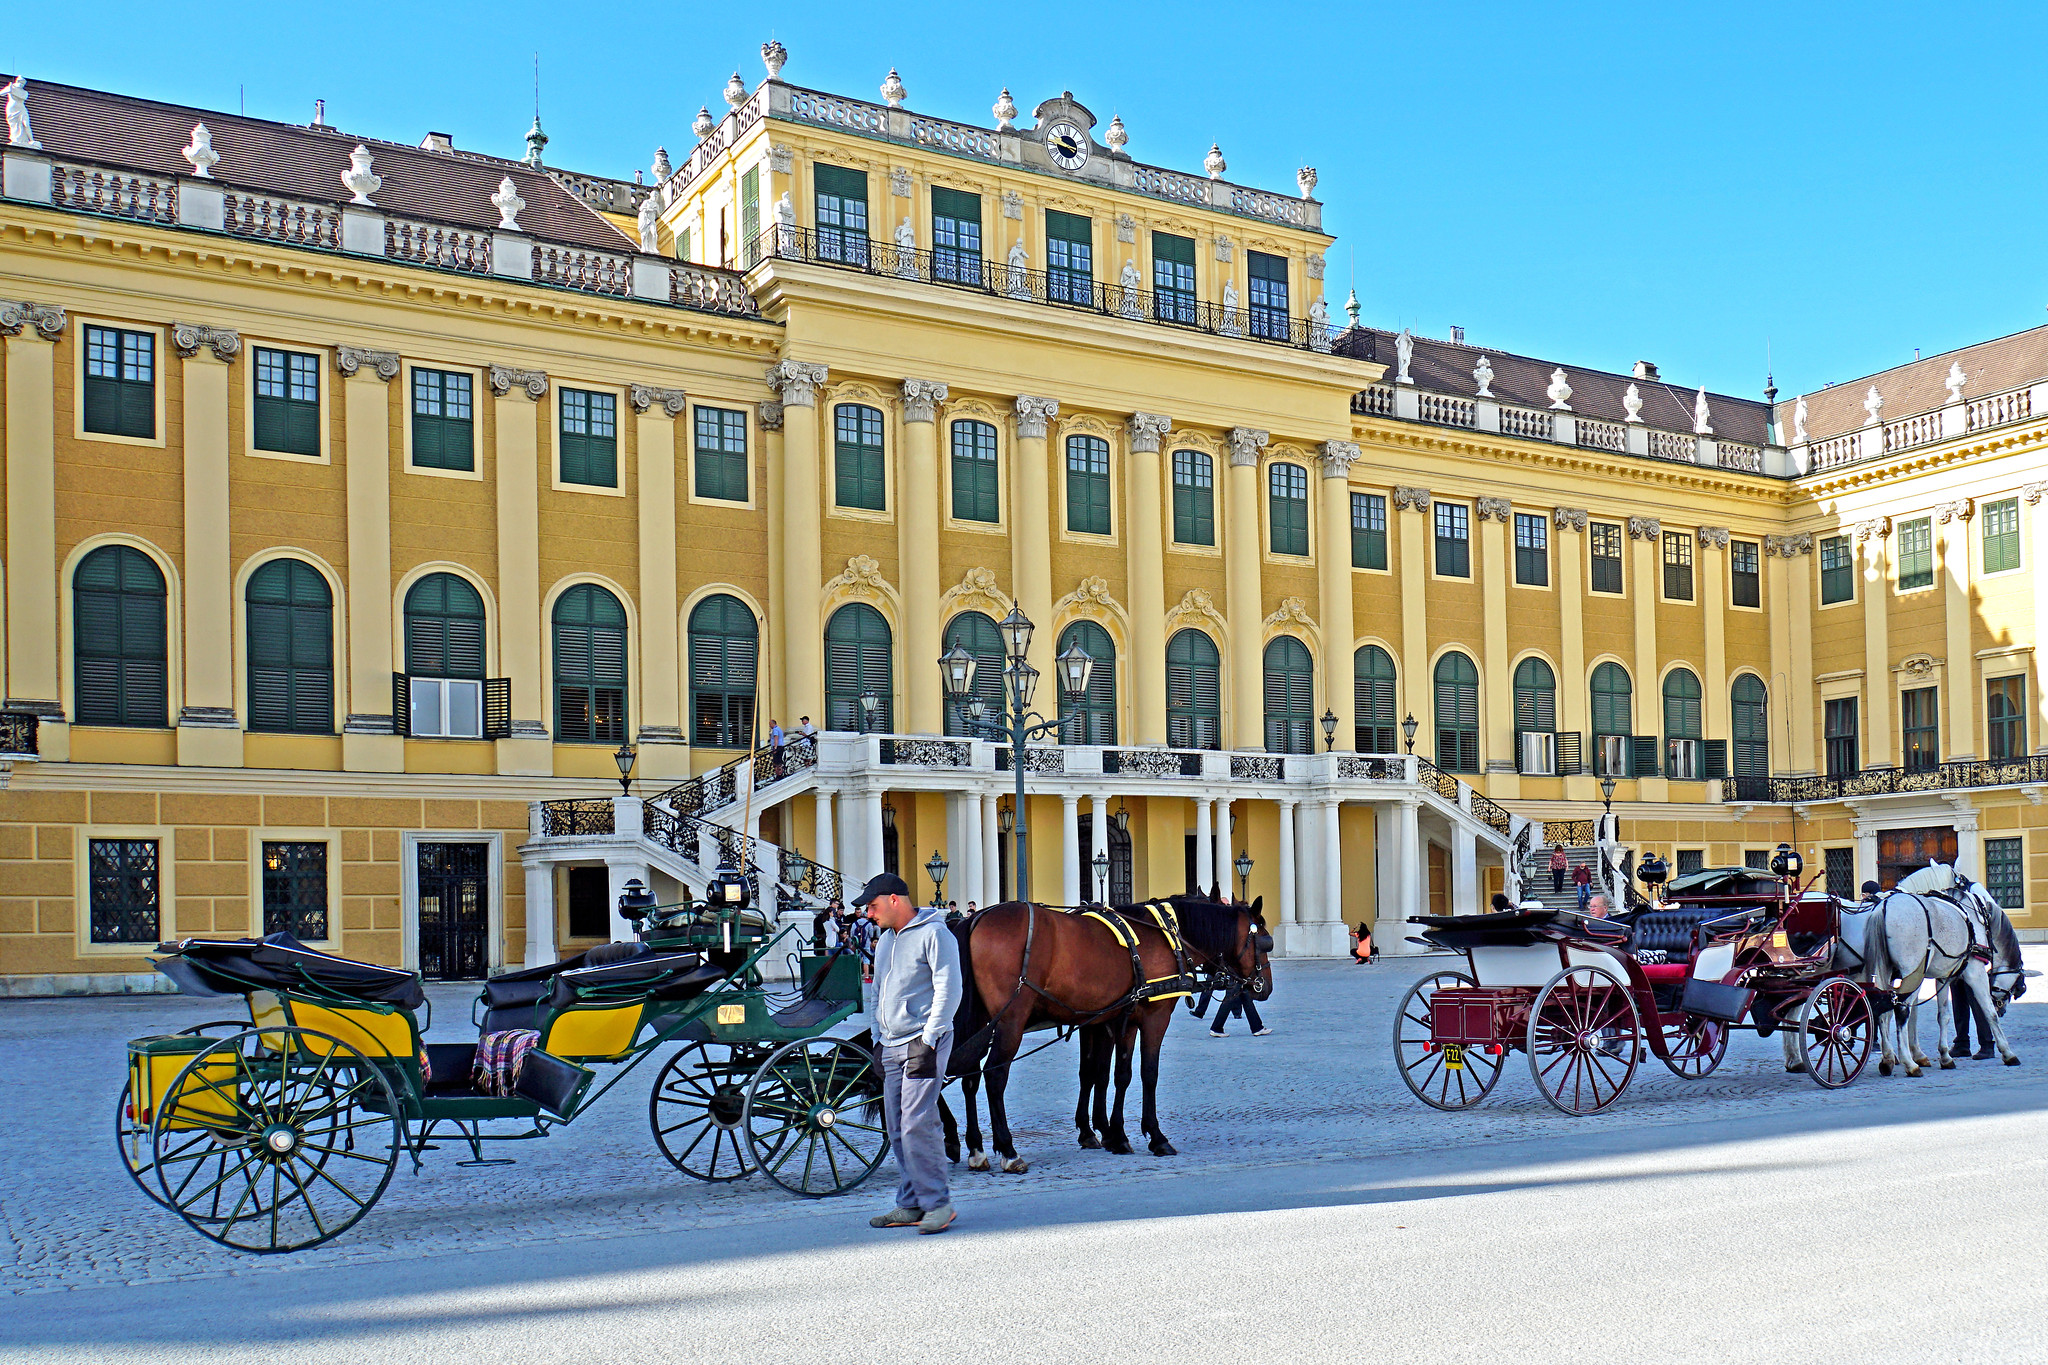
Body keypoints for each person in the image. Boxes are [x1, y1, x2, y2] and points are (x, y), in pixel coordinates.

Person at [855, 872, 962, 1235]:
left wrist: (929, 1038)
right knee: (897, 1128)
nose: (869, 914)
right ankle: (912, 1202)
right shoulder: (886, 940)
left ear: (894, 900)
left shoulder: (935, 934)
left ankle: (938, 1204)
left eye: (873, 906)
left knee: (918, 1123)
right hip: (890, 1045)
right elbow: (877, 992)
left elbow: (949, 989)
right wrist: (877, 1037)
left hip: (922, 1042)